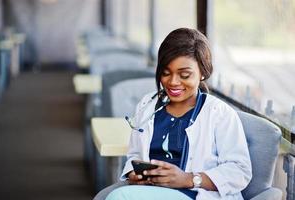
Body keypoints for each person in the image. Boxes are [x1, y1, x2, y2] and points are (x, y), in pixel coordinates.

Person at [93, 28, 252, 200]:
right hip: (150, 191)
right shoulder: (147, 105)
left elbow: (239, 171)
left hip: (196, 195)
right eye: (166, 73)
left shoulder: (220, 114)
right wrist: (134, 173)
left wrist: (189, 179)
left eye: (184, 75)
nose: (173, 82)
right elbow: (135, 155)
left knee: (118, 197)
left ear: (203, 73)